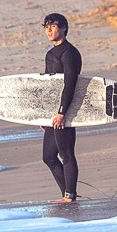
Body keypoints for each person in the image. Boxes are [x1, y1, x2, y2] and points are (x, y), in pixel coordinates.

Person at [38, 12, 82, 203]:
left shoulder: (70, 53)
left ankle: (70, 196)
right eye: (46, 26)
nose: (49, 29)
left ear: (63, 28)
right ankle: (67, 193)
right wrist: (44, 116)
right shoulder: (50, 54)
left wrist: (62, 112)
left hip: (67, 111)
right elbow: (49, 88)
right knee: (48, 157)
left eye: (53, 25)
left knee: (66, 154)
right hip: (54, 113)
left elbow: (69, 84)